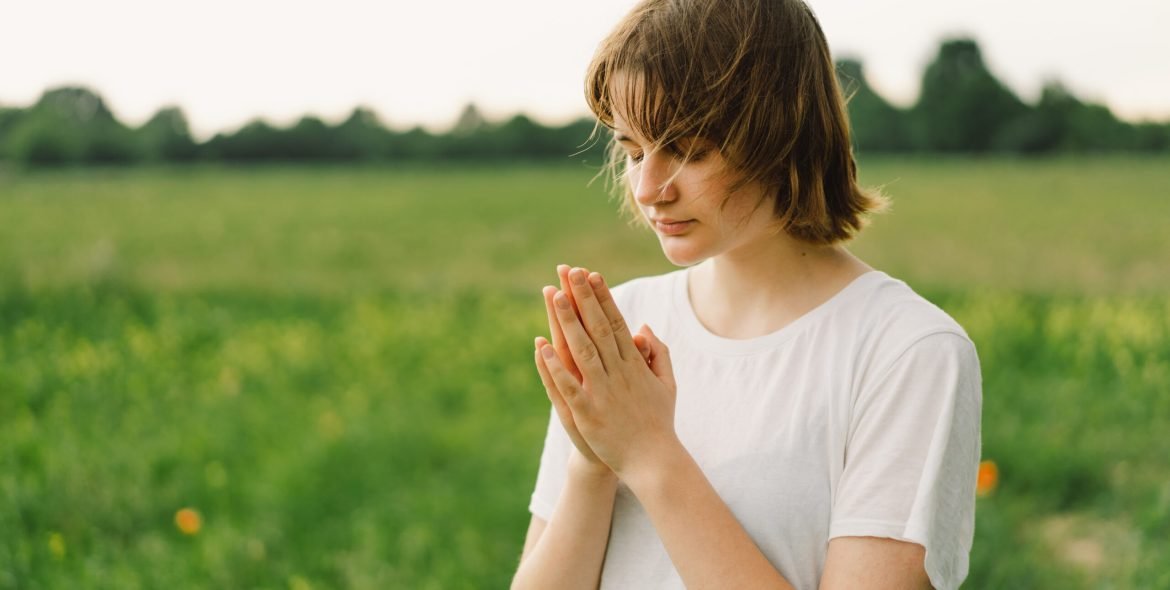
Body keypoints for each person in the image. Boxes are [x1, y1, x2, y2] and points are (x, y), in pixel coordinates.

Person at [511, 0, 983, 588]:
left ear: (780, 133)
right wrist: (592, 462)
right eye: (633, 151)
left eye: (688, 149)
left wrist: (650, 455)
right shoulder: (625, 322)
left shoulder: (908, 352)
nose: (649, 187)